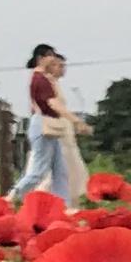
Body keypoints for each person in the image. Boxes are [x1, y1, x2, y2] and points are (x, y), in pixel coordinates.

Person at [15, 45, 90, 203]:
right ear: (40, 58)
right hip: (45, 125)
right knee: (38, 171)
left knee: (60, 170)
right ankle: (12, 197)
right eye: (51, 56)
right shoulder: (40, 79)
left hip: (53, 127)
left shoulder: (45, 79)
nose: (54, 60)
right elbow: (53, 104)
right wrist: (77, 120)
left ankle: (63, 204)